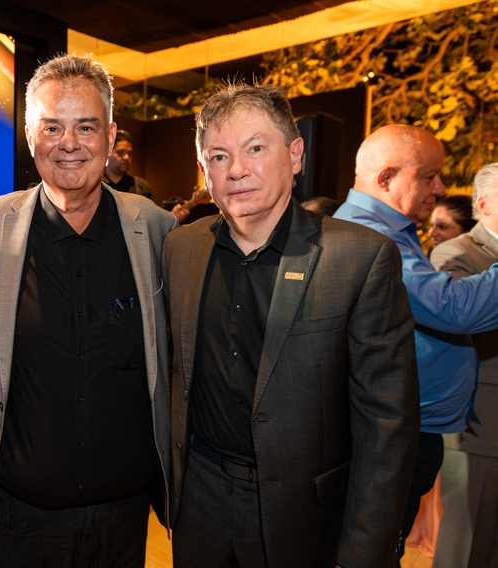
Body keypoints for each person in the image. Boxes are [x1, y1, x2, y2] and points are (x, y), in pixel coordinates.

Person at [166, 83, 420, 568]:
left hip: (306, 515)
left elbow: (387, 424)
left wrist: (364, 551)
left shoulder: (360, 258)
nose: (236, 169)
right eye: (218, 156)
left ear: (296, 154)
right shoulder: (181, 248)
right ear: (204, 170)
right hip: (199, 500)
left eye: (255, 149)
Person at [0, 54, 177, 567]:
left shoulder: (157, 229)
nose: (69, 143)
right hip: (19, 518)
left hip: (124, 520)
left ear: (110, 135)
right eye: (52, 126)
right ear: (30, 135)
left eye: (86, 126)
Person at [334, 125, 498, 563]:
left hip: (406, 426)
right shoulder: (372, 234)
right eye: (429, 176)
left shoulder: (392, 230)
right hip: (390, 431)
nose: (440, 188)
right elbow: (453, 308)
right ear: (386, 178)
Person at [430, 163, 498, 567]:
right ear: (485, 204)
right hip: (480, 421)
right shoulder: (456, 252)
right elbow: (456, 321)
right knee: (466, 544)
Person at [101, 129, 155, 201]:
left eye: (129, 154)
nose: (126, 157)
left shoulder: (141, 187)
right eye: (120, 152)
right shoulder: (94, 185)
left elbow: (157, 208)